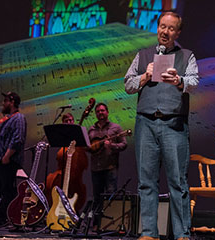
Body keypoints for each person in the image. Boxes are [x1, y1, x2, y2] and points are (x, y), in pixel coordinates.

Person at [124, 11, 199, 240]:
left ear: (177, 33)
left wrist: (179, 81)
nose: (165, 32)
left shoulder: (186, 55)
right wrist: (145, 76)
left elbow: (194, 82)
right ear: (157, 28)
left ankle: (182, 234)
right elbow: (128, 85)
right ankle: (149, 233)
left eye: (171, 28)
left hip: (173, 124)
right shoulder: (143, 55)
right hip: (146, 123)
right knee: (146, 182)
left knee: (178, 182)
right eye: (162, 26)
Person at [0, 92, 27, 225]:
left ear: (12, 101)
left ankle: (5, 219)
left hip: (8, 161)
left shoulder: (19, 118)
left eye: (5, 101)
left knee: (7, 190)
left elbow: (18, 139)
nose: (3, 104)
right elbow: (2, 126)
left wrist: (7, 155)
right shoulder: (8, 119)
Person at [87, 103, 127, 228]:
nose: (100, 113)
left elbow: (124, 145)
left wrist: (112, 146)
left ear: (107, 112)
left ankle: (110, 225)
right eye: (98, 111)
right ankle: (96, 224)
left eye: (103, 110)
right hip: (95, 168)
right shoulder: (91, 129)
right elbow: (88, 147)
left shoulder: (116, 128)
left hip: (110, 167)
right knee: (97, 197)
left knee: (110, 196)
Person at [45, 112, 88, 213]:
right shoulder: (62, 142)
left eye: (71, 120)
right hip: (61, 177)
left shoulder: (79, 143)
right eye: (66, 121)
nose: (69, 122)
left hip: (76, 182)